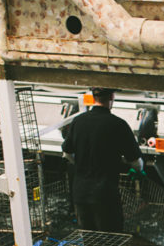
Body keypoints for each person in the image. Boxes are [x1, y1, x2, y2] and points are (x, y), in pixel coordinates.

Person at [61, 87, 143, 232]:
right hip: (105, 195)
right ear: (112, 97)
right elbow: (136, 162)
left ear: (93, 98)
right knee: (112, 240)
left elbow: (67, 153)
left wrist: (81, 163)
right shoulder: (118, 124)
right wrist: (138, 170)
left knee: (90, 241)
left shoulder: (78, 121)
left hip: (80, 193)